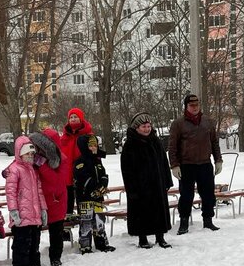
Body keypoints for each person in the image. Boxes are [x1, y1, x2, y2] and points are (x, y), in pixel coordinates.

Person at [168, 94, 223, 234]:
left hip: (205, 163)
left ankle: (208, 220)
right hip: (186, 165)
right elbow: (172, 146)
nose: (195, 108)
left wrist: (218, 160)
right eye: (192, 105)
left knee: (208, 194)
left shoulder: (208, 122)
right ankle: (184, 221)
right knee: (186, 195)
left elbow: (214, 143)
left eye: (197, 105)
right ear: (186, 106)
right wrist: (174, 165)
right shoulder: (178, 124)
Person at [120, 113, 173, 249]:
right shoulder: (130, 145)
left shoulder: (156, 141)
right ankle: (142, 238)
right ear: (136, 128)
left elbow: (164, 162)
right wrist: (131, 188)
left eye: (149, 126)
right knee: (141, 212)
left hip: (157, 184)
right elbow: (126, 169)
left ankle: (160, 237)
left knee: (159, 210)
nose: (147, 129)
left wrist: (167, 181)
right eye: (143, 126)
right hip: (140, 186)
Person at [5, 136, 48, 266]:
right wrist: (13, 211)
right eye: (27, 154)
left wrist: (43, 209)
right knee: (22, 242)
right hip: (21, 215)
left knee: (34, 240)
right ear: (19, 153)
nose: (30, 156)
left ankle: (34, 263)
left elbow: (39, 191)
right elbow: (10, 192)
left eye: (31, 154)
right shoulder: (14, 169)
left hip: (34, 214)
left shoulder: (32, 170)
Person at [29, 128, 70, 266]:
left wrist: (43, 166)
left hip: (56, 200)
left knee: (56, 232)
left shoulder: (61, 160)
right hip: (39, 201)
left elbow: (57, 181)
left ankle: (55, 257)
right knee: (35, 233)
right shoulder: (34, 157)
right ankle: (34, 259)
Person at [74, 134, 116, 254]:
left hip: (98, 196)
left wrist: (103, 184)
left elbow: (103, 174)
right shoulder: (80, 161)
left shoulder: (97, 160)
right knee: (86, 222)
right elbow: (82, 178)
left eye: (95, 145)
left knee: (99, 221)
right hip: (85, 197)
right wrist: (93, 187)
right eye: (90, 146)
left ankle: (101, 243)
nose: (93, 148)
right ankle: (85, 246)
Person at [59, 108, 94, 219]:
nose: (73, 119)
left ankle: (85, 227)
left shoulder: (88, 135)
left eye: (75, 117)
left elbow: (94, 154)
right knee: (68, 201)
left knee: (83, 200)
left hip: (83, 172)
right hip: (67, 172)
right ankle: (66, 230)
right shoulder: (64, 136)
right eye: (71, 117)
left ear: (81, 118)